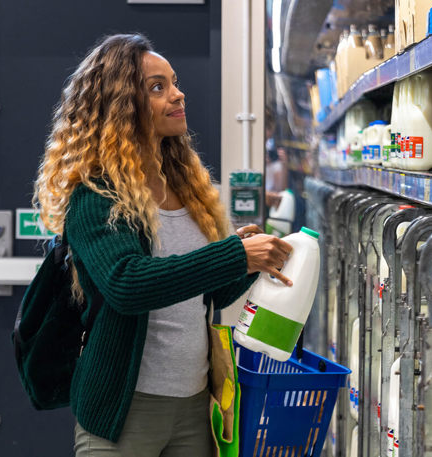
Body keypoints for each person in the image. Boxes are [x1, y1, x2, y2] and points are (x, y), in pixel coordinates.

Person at [32, 33, 293, 457]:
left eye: (173, 82)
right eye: (158, 88)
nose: (177, 94)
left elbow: (207, 293)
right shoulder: (97, 195)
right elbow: (127, 285)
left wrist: (247, 263)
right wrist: (229, 256)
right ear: (122, 108)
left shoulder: (186, 187)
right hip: (123, 413)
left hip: (194, 407)